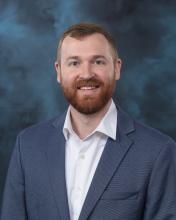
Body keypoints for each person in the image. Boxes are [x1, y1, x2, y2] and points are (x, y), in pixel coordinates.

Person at [1, 23, 176, 220]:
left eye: (98, 62)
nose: (86, 74)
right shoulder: (27, 145)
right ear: (59, 71)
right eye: (74, 63)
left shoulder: (159, 151)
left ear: (117, 68)